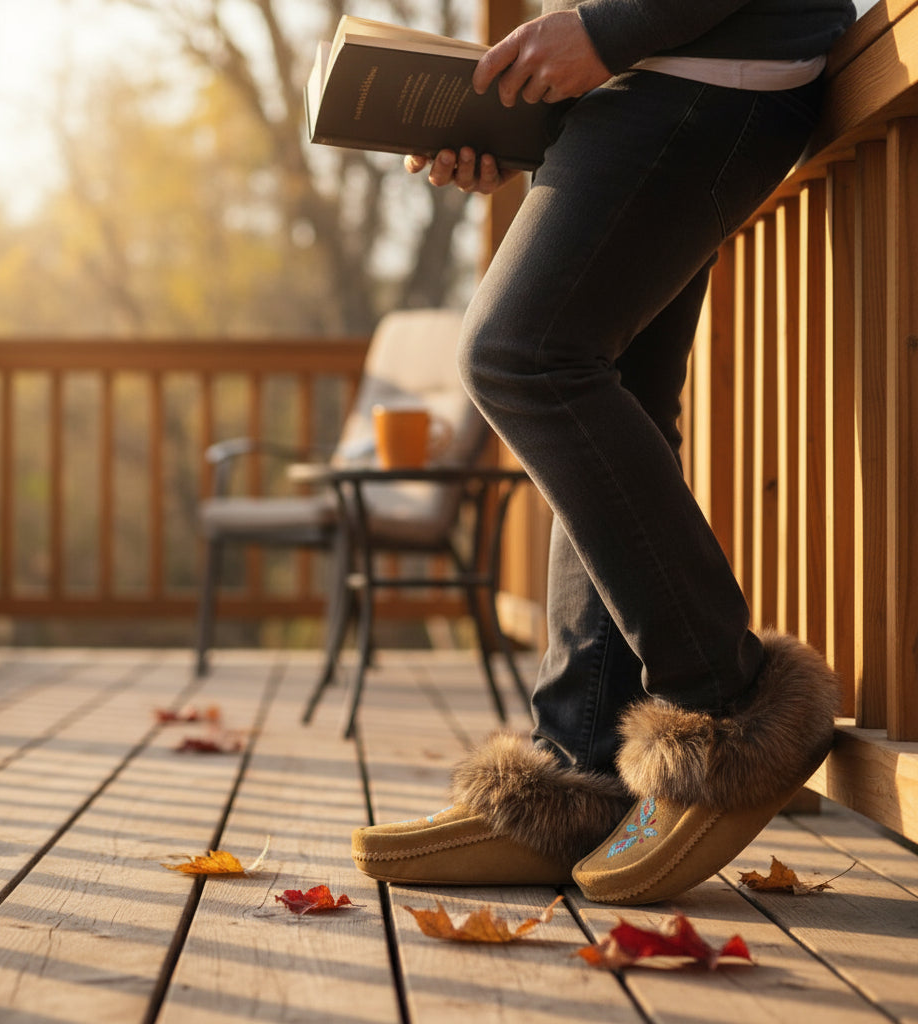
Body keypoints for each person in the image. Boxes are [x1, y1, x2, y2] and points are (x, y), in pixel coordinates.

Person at [351, 0, 856, 904]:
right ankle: (577, 776)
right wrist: (518, 114)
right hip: (638, 84)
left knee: (519, 355)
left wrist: (607, 31)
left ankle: (727, 698)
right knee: (603, 384)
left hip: (704, 74)